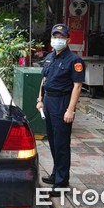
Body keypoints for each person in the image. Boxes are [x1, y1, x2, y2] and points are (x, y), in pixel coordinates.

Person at [36, 23, 85, 197]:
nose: (57, 40)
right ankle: (56, 174)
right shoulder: (50, 57)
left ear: (68, 39)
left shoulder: (74, 60)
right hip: (48, 101)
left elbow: (77, 86)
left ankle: (62, 182)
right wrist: (40, 99)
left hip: (62, 102)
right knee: (53, 140)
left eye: (61, 37)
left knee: (62, 143)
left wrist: (70, 110)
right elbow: (44, 79)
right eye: (55, 37)